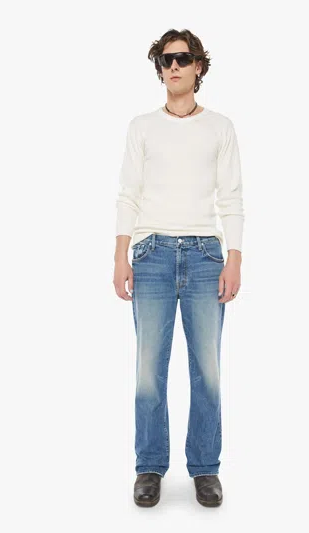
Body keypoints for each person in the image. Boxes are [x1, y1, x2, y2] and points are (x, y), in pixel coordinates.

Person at [113, 29, 244, 508]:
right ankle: (149, 466)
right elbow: (128, 192)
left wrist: (234, 257)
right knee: (149, 371)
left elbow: (231, 197)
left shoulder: (220, 127)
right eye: (166, 60)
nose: (174, 66)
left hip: (206, 256)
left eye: (183, 58)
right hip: (150, 255)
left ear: (198, 67)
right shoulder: (142, 127)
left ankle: (205, 468)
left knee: (207, 370)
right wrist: (120, 255)